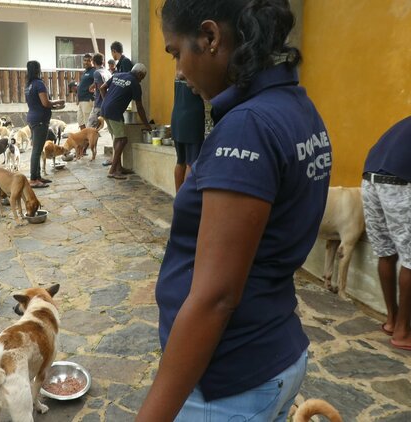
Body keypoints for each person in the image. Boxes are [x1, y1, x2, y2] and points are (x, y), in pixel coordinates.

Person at [136, 1, 332, 421]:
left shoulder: (248, 127)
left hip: (228, 380)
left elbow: (216, 297)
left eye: (175, 53)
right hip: (273, 350)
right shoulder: (297, 106)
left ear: (209, 38)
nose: (178, 72)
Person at [361, 116, 411, 351]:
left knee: (386, 252)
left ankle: (392, 320)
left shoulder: (404, 123)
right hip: (399, 183)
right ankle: (402, 332)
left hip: (369, 179)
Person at [100, 63, 151, 179]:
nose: (142, 80)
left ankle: (119, 168)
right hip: (114, 112)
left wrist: (107, 101)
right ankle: (112, 170)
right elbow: (139, 107)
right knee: (122, 140)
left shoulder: (118, 75)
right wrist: (147, 125)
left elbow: (102, 88)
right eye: (142, 77)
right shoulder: (135, 84)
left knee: (117, 138)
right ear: (139, 74)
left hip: (104, 109)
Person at [24, 60, 65, 188]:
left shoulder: (28, 85)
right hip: (40, 120)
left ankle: (37, 176)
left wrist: (54, 107)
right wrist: (59, 101)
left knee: (38, 148)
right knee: (37, 150)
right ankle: (33, 179)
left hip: (32, 118)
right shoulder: (39, 84)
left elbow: (37, 103)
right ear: (38, 70)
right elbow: (45, 103)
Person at [171, 77, 205, 192]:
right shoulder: (196, 71)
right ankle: (186, 200)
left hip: (177, 118)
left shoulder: (179, 72)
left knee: (180, 161)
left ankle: (179, 198)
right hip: (192, 119)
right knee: (191, 162)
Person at [87, 53, 111, 129]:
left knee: (89, 129)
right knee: (109, 128)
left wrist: (105, 102)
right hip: (108, 102)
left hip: (100, 104)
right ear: (103, 61)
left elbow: (101, 88)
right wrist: (92, 86)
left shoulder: (97, 73)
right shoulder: (107, 72)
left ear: (93, 62)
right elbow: (99, 83)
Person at [76, 53, 95, 130]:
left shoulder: (94, 71)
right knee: (80, 121)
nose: (86, 62)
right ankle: (85, 140)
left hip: (88, 100)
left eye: (88, 60)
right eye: (85, 60)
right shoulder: (85, 72)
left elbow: (99, 80)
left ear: (92, 61)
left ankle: (90, 141)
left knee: (88, 123)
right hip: (81, 100)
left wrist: (92, 86)